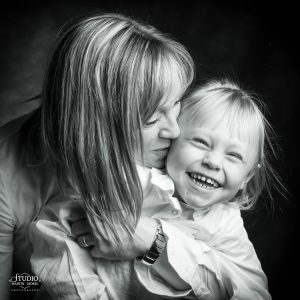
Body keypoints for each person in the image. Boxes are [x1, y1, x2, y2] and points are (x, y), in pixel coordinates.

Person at [0, 12, 195, 300]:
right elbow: (11, 286)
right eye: (152, 119)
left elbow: (237, 276)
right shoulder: (5, 178)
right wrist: (45, 283)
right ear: (96, 124)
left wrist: (154, 241)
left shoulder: (174, 152)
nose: (175, 130)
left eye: (176, 104)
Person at [30, 80, 274, 299]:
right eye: (200, 142)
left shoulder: (226, 223)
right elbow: (55, 230)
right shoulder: (128, 181)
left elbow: (254, 293)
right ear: (173, 139)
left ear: (247, 177)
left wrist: (156, 240)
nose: (213, 161)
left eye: (233, 156)